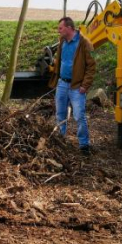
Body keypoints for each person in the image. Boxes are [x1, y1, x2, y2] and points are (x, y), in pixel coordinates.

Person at [48, 16, 96, 155]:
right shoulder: (62, 41)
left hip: (77, 87)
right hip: (62, 84)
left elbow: (91, 67)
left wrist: (85, 85)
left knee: (79, 116)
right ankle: (61, 141)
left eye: (60, 28)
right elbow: (60, 61)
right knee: (60, 114)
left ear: (69, 28)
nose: (59, 31)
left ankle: (84, 145)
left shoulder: (84, 43)